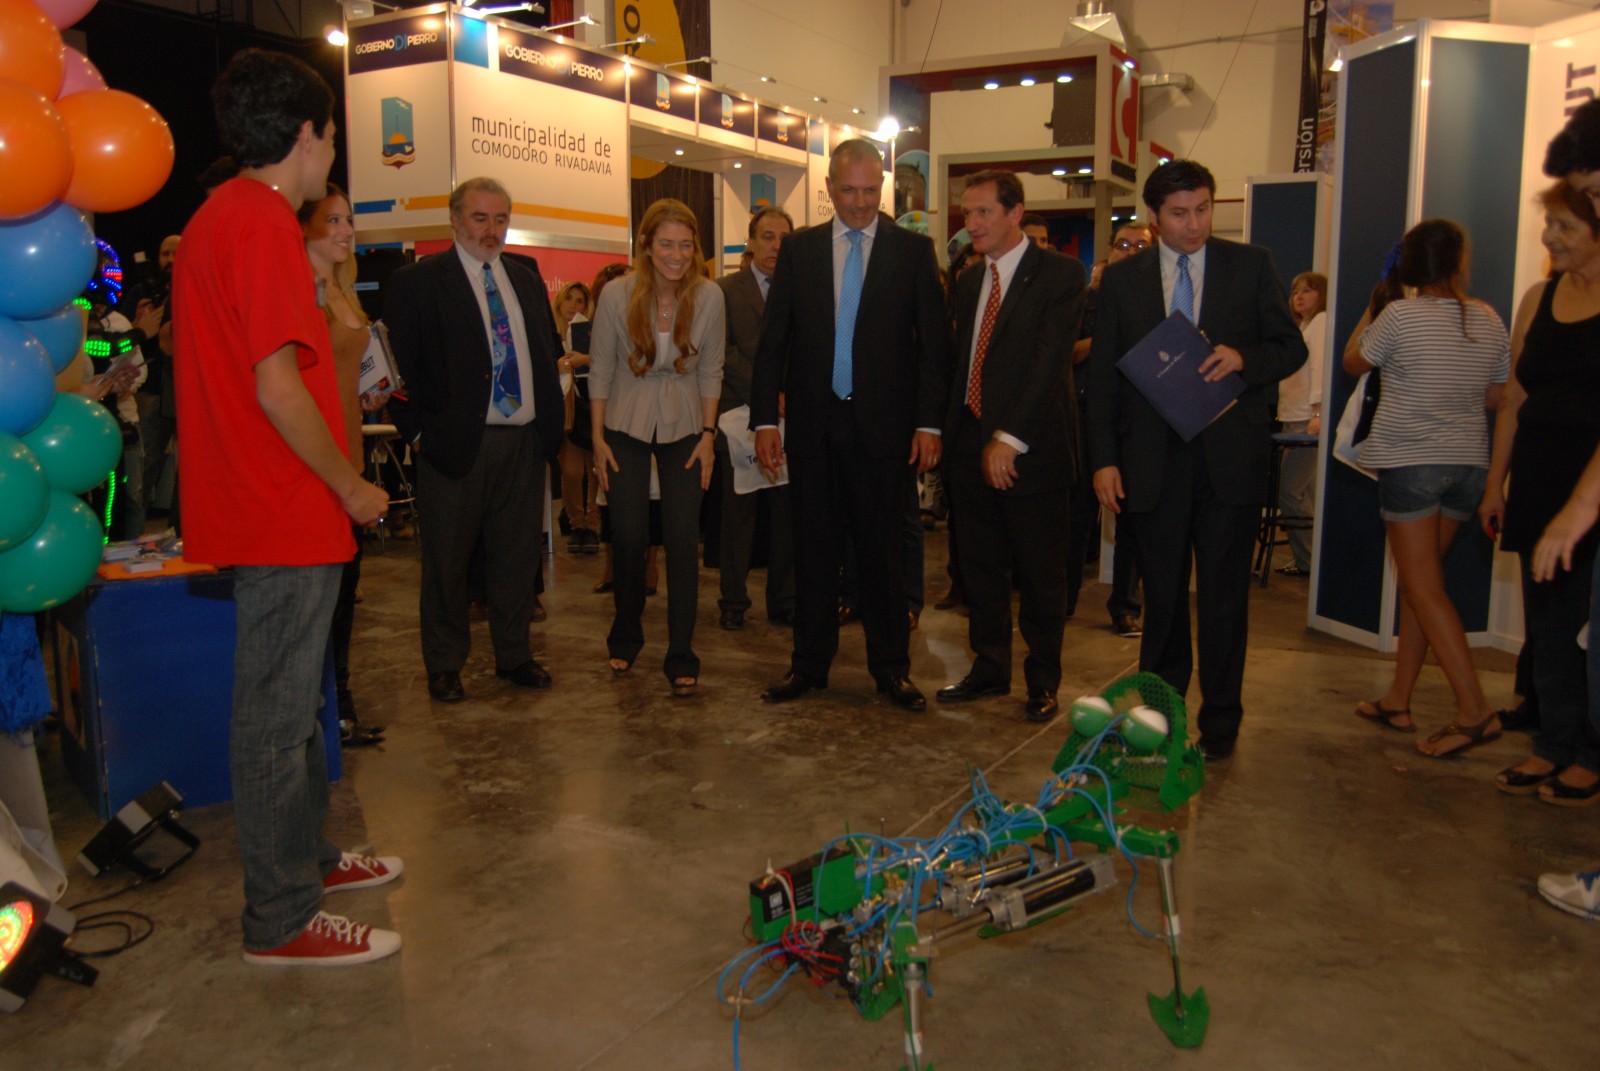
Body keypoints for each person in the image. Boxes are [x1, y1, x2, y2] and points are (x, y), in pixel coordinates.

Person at [172, 48, 400, 966]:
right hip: (281, 503)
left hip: (265, 501)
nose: (331, 155)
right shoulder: (261, 223)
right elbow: (278, 386)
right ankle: (280, 915)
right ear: (305, 135)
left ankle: (306, 860)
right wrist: (350, 485)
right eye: (332, 137)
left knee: (297, 702)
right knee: (275, 713)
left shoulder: (220, 217)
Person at [1087, 159, 1307, 760]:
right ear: (1154, 218)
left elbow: (1291, 345)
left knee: (1223, 597)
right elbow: (1103, 380)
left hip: (1228, 459)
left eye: (1204, 209)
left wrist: (1243, 358)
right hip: (1151, 462)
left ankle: (1222, 722)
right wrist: (1103, 460)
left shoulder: (1250, 265)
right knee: (1161, 597)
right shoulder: (1124, 281)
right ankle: (1160, 715)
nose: (1194, 224)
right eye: (1180, 214)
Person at [749, 137, 951, 712]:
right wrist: (765, 419)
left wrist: (929, 425)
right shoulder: (801, 251)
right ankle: (808, 666)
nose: (860, 203)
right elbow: (774, 344)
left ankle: (891, 670)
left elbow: (934, 351)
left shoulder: (913, 252)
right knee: (812, 551)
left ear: (881, 187)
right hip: (812, 429)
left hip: (885, 434)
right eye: (849, 190)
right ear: (830, 189)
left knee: (884, 555)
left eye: (871, 190)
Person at [385, 177, 565, 704]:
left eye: (501, 219)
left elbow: (543, 350)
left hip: (523, 444)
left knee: (516, 560)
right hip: (454, 447)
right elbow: (400, 372)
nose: (491, 230)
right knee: (447, 563)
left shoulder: (525, 277)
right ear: (456, 221)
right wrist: (417, 433)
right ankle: (444, 665)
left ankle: (515, 657)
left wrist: (547, 431)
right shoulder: (418, 283)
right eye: (481, 218)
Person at [1343, 218, 1508, 758]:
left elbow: (1352, 361)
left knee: (1422, 587)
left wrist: (1375, 303)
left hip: (1411, 464)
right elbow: (1495, 397)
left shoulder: (1398, 315)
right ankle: (1398, 699)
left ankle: (1475, 711)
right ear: (1459, 263)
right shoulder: (1488, 319)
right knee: (1424, 585)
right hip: (1470, 466)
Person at [936, 170, 1087, 722]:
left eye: (982, 213)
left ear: (1015, 212)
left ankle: (1043, 680)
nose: (970, 224)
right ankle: (989, 668)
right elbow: (964, 366)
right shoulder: (972, 280)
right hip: (969, 450)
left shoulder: (1060, 275)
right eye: (967, 214)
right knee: (979, 568)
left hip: (1032, 453)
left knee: (1041, 573)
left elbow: (1049, 365)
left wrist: (1009, 439)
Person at [1479, 182, 1600, 804]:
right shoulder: (1539, 298)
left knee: (1588, 626)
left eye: (1564, 227)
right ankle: (1553, 742)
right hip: (1539, 479)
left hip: (1593, 490)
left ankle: (1590, 752)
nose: (1550, 237)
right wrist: (1496, 482)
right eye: (1548, 224)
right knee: (1548, 623)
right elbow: (1515, 399)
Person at [589, 199, 724, 696]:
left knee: (683, 539)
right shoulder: (616, 295)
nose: (677, 255)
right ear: (646, 244)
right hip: (624, 421)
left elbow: (712, 370)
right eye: (666, 243)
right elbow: (600, 368)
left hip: (688, 425)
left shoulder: (709, 297)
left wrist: (709, 437)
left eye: (686, 245)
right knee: (627, 536)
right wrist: (598, 437)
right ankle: (626, 631)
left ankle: (682, 651)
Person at [299, 184, 384, 748]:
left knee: (343, 594)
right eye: (332, 220)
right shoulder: (298, 290)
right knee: (315, 602)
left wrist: (369, 392)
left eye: (349, 219)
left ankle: (339, 708)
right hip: (315, 463)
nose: (346, 230)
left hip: (350, 453)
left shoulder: (343, 291)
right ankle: (319, 715)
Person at [715, 206, 795, 631]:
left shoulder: (803, 289)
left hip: (789, 416)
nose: (775, 246)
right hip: (739, 416)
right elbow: (721, 352)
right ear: (750, 241)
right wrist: (767, 397)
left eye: (784, 238)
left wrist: (786, 397)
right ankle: (732, 600)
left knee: (787, 514)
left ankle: (784, 600)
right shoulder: (725, 291)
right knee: (738, 517)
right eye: (767, 236)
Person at [1070, 222, 1149, 635]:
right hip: (1086, 418)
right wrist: (1106, 343)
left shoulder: (1163, 303)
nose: (1132, 251)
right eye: (1124, 244)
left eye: (1141, 245)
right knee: (1077, 516)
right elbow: (1068, 352)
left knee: (1132, 523)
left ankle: (1125, 606)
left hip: (1140, 425)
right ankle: (1063, 600)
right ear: (1110, 251)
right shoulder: (1086, 300)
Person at [1276, 270, 1328, 577]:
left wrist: (1317, 413)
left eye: (1307, 291)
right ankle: (1306, 560)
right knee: (1303, 493)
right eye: (1296, 292)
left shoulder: (1320, 325)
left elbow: (1320, 368)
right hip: (1291, 418)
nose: (1300, 297)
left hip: (1306, 421)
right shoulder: (1302, 326)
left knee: (1290, 492)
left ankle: (1310, 562)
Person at [552, 280, 600, 554]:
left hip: (592, 407)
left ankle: (592, 525)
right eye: (569, 298)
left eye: (580, 300)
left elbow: (608, 362)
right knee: (571, 472)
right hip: (566, 412)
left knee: (595, 469)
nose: (573, 305)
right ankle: (576, 522)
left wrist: (587, 359)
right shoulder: (549, 334)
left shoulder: (592, 334)